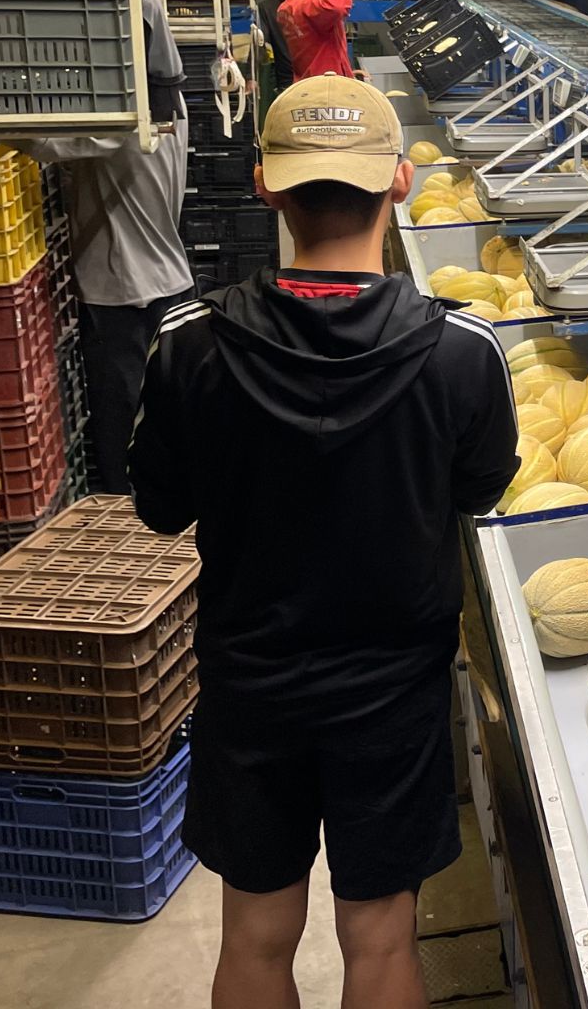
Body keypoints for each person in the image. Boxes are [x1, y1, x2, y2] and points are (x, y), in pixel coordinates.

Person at [127, 75, 519, 1009]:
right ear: (402, 183)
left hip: (250, 683)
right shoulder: (465, 354)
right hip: (393, 692)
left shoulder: (189, 347)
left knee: (256, 937)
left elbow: (159, 509)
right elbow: (478, 488)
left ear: (264, 184)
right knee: (381, 940)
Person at [14, 0, 191, 494]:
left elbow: (42, 142)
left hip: (125, 294)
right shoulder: (169, 110)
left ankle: (128, 517)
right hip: (166, 282)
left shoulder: (126, 126)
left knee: (123, 427)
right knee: (163, 417)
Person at [277, 0, 357, 81]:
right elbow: (338, 7)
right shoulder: (308, 5)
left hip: (307, 83)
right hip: (326, 87)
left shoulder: (287, 6)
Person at [257, 0, 297, 97]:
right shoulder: (267, 9)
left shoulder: (316, 5)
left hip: (318, 79)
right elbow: (259, 44)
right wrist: (251, 77)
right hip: (286, 84)